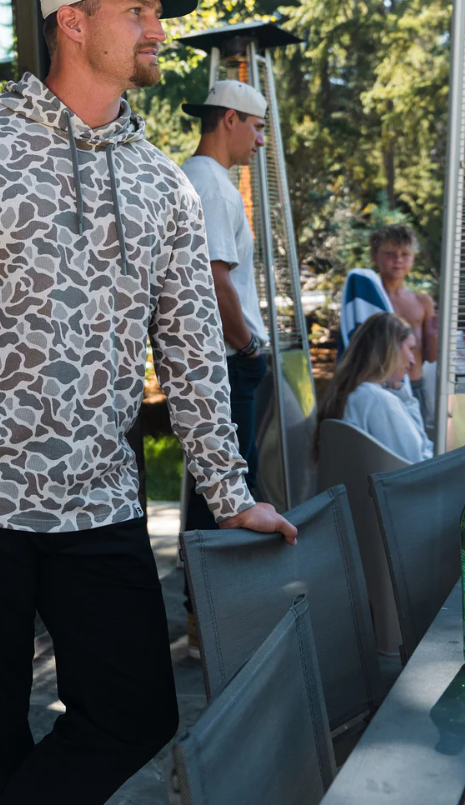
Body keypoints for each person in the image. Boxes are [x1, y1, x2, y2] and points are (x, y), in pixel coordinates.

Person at [0, 0, 297, 805]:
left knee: (135, 713)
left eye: (155, 14)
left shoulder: (163, 185)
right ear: (73, 21)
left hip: (96, 502)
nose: (157, 31)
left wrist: (228, 486)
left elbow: (192, 349)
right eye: (137, 11)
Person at [179, 80, 270, 655]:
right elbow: (215, 281)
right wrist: (248, 349)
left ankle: (203, 618)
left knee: (209, 487)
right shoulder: (210, 184)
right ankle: (220, 625)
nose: (261, 141)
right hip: (229, 360)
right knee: (232, 490)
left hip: (216, 359)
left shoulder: (194, 176)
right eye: (258, 127)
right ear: (230, 120)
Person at [316, 312, 433, 464]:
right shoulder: (378, 400)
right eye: (410, 349)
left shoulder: (351, 393)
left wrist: (402, 395)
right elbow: (419, 461)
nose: (412, 360)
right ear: (391, 349)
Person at [368, 224, 438, 428]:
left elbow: (430, 357)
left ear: (413, 258)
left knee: (418, 451)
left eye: (405, 254)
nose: (398, 259)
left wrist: (434, 335)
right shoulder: (369, 300)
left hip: (415, 387)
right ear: (375, 256)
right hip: (378, 388)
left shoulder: (422, 302)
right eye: (390, 253)